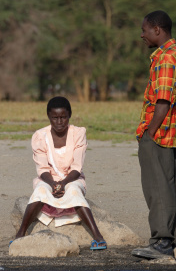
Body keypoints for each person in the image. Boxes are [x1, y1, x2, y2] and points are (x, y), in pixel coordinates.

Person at [131, 10, 176, 259]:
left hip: (160, 130)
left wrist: (150, 132)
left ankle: (161, 241)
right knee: (174, 185)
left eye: (145, 30)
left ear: (158, 30)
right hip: (174, 128)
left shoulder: (166, 58)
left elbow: (163, 101)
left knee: (157, 187)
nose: (142, 35)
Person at [13, 96, 106, 250]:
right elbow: (42, 169)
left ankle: (98, 236)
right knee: (40, 191)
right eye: (55, 118)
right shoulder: (40, 136)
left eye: (63, 117)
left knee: (74, 191)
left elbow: (77, 167)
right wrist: (53, 184)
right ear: (49, 117)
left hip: (73, 178)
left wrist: (63, 184)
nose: (59, 122)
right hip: (48, 179)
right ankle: (20, 233)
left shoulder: (78, 134)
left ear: (69, 115)